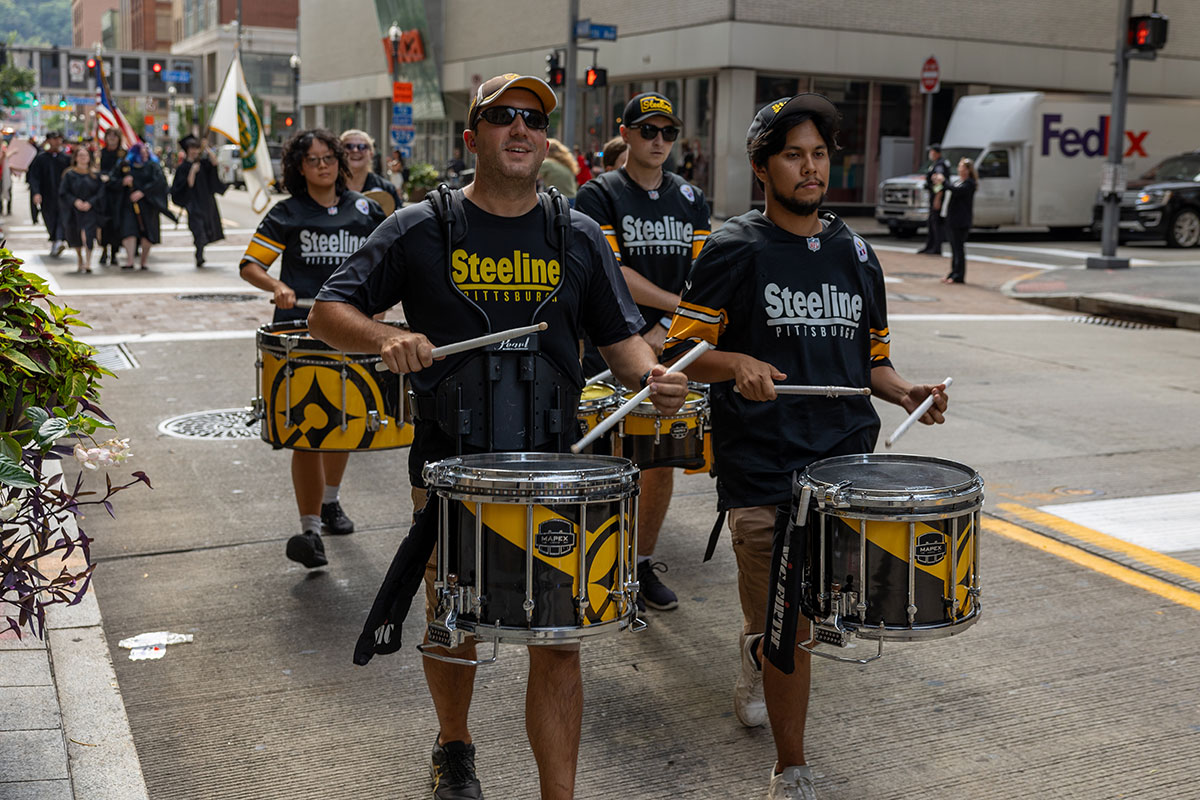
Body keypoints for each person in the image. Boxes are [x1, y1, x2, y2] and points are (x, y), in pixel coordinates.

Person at [308, 72, 688, 800]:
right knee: (453, 622)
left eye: (533, 119)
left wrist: (653, 379)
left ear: (545, 140)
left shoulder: (576, 232)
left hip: (555, 472)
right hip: (450, 467)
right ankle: (455, 745)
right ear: (472, 135)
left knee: (559, 638)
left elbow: (624, 341)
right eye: (503, 116)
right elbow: (329, 312)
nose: (520, 129)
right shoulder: (421, 227)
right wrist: (385, 335)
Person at [664, 93, 949, 800]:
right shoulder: (732, 247)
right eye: (794, 153)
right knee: (784, 611)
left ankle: (761, 648)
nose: (810, 166)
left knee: (811, 613)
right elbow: (681, 356)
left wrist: (907, 391)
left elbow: (873, 364)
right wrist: (735, 365)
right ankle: (791, 769)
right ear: (764, 165)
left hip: (844, 459)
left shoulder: (857, 252)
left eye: (819, 153)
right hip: (762, 462)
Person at [575, 91, 711, 614]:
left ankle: (640, 563)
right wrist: (665, 314)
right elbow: (611, 272)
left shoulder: (690, 198)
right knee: (598, 454)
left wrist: (664, 325)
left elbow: (704, 273)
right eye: (648, 131)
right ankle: (593, 563)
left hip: (667, 346)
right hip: (606, 345)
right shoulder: (598, 193)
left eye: (668, 133)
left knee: (658, 458)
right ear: (626, 133)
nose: (659, 142)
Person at [238, 128, 386, 569]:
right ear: (297, 168)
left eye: (329, 158)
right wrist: (277, 285)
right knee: (309, 430)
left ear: (341, 163)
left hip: (352, 331)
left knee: (345, 421)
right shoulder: (287, 213)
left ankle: (331, 503)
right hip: (300, 335)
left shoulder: (366, 211)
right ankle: (309, 531)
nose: (322, 165)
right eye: (312, 159)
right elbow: (249, 266)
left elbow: (395, 259)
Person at [170, 134, 228, 268]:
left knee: (207, 229)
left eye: (196, 148)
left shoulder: (203, 163)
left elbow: (214, 163)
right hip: (193, 204)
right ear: (187, 150)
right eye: (192, 148)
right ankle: (199, 255)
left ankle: (200, 252)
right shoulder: (183, 167)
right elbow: (188, 184)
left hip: (205, 201)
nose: (195, 151)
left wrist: (206, 147)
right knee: (198, 230)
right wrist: (192, 171)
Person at [110, 142, 169, 270]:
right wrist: (123, 182)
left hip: (148, 205)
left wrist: (143, 192)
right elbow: (111, 181)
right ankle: (130, 260)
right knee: (128, 231)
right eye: (141, 152)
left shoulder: (153, 166)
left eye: (145, 152)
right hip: (128, 205)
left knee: (147, 233)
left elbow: (160, 182)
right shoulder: (125, 167)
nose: (144, 154)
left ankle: (144, 261)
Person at [58, 146, 104, 273]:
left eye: (85, 155)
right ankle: (80, 258)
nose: (83, 158)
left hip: (91, 209)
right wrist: (75, 201)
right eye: (80, 155)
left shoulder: (95, 175)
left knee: (89, 235)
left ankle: (88, 261)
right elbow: (63, 192)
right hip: (74, 210)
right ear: (76, 158)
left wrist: (90, 202)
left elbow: (100, 192)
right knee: (75, 235)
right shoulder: (69, 174)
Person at [27, 131, 71, 256]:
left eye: (59, 139)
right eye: (54, 139)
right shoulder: (41, 159)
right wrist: (36, 193)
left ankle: (58, 240)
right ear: (48, 141)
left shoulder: (66, 159)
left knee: (62, 218)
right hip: (47, 195)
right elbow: (34, 177)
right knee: (49, 218)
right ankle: (55, 240)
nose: (57, 142)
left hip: (62, 195)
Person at [340, 129, 402, 211]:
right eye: (349, 146)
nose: (355, 150)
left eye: (362, 147)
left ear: (371, 153)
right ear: (340, 152)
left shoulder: (386, 188)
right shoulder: (329, 187)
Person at [938, 157, 978, 284]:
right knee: (954, 248)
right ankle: (953, 272)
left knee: (958, 248)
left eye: (961, 167)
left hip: (961, 221)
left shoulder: (969, 184)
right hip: (952, 219)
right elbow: (950, 189)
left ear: (967, 170)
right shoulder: (958, 181)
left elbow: (955, 191)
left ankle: (959, 275)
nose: (959, 169)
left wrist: (943, 181)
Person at [97, 128, 126, 265]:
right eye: (109, 136)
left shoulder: (123, 154)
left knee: (117, 223)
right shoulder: (101, 153)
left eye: (115, 136)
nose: (112, 138)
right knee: (104, 223)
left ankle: (114, 253)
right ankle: (104, 251)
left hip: (118, 193)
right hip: (104, 193)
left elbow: (126, 173)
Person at [915, 143, 951, 255]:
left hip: (937, 197)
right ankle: (930, 246)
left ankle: (936, 247)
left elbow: (939, 182)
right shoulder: (936, 164)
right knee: (932, 222)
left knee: (936, 223)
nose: (931, 154)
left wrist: (938, 198)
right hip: (934, 196)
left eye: (932, 152)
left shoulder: (940, 165)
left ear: (937, 153)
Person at [538, 137, 578, 202]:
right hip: (572, 198)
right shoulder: (565, 163)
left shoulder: (548, 163)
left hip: (559, 199)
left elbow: (531, 177)